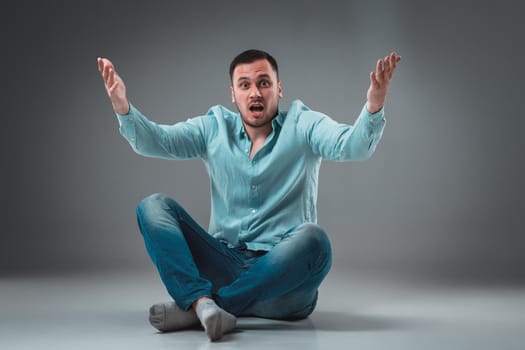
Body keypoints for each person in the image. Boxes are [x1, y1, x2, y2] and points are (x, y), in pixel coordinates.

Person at [97, 49, 400, 341]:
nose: (255, 92)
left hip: (282, 288)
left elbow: (352, 146)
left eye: (264, 83)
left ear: (278, 89)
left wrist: (373, 107)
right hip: (224, 264)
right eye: (245, 85)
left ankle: (201, 306)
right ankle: (206, 304)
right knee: (153, 206)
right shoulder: (215, 126)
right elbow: (157, 141)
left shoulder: (303, 123)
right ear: (233, 93)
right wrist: (123, 107)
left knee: (314, 239)